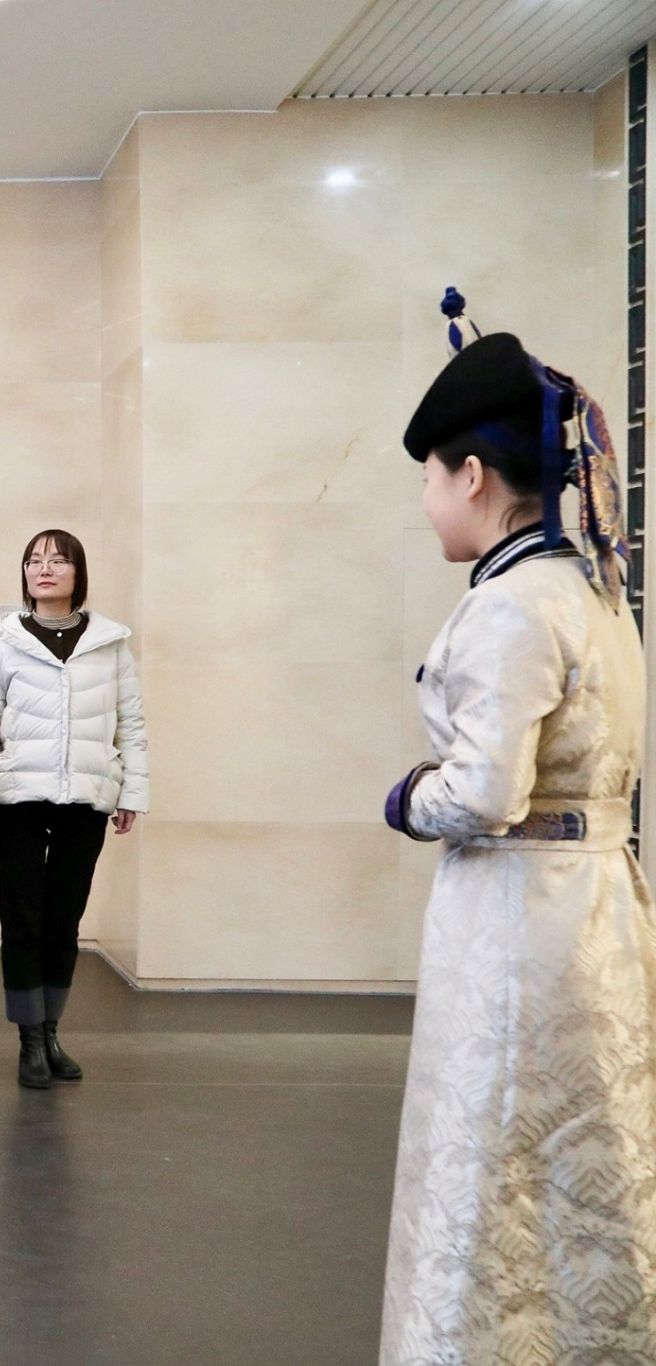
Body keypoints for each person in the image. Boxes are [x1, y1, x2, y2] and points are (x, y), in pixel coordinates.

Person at [379, 317, 654, 1362]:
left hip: (517, 919)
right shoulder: (595, 591)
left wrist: (409, 797)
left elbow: (485, 794)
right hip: (596, 908)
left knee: (495, 1153)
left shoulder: (511, 605)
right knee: (587, 1156)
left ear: (472, 475)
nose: (426, 502)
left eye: (429, 479)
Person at [0, 529, 148, 1089]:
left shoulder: (110, 643)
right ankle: (29, 1040)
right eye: (34, 560)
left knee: (64, 920)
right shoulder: (2, 642)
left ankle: (52, 1030)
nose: (45, 569)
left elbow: (131, 723)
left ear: (77, 574)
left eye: (58, 560)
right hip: (17, 799)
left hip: (85, 799)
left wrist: (131, 793)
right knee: (22, 919)